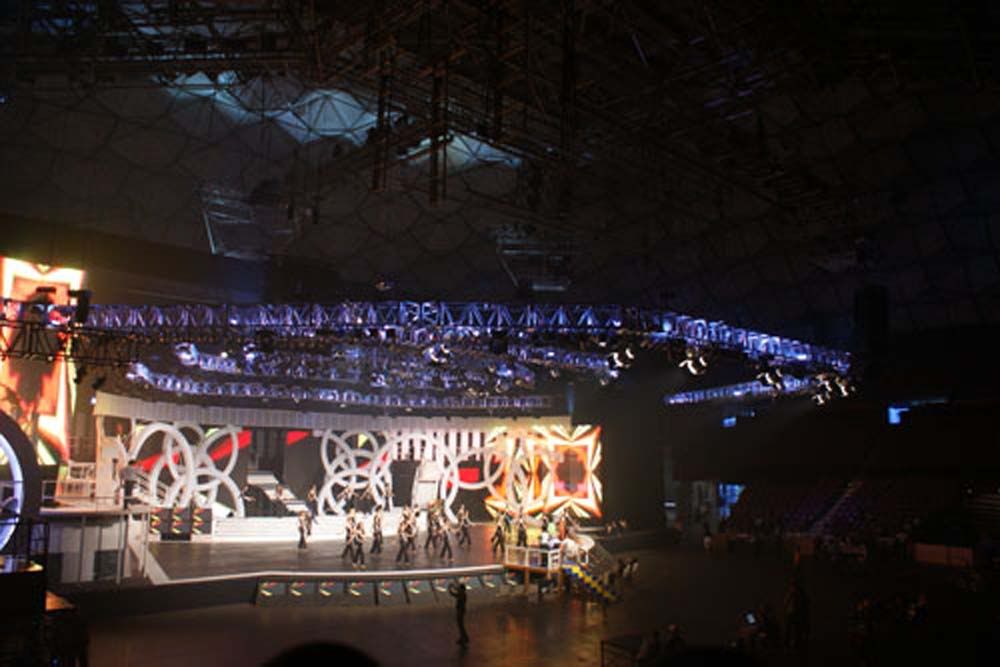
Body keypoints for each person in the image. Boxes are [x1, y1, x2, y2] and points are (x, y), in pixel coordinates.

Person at [447, 581, 469, 646]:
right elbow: (455, 592)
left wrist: (450, 587)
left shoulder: (461, 594)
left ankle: (464, 638)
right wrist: (451, 588)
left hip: (460, 611)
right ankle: (464, 638)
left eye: (459, 588)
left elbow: (454, 593)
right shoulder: (463, 593)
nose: (458, 589)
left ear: (462, 589)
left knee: (461, 626)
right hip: (461, 611)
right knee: (461, 626)